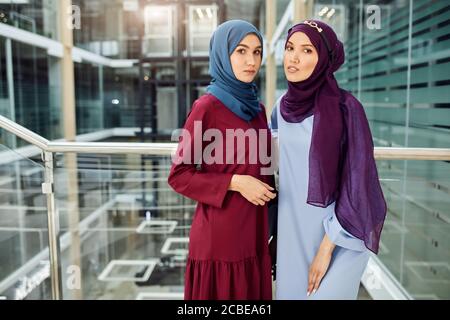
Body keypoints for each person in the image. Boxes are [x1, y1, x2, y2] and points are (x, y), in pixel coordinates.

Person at [270, 20, 387, 300]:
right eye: (289, 48)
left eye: (307, 50)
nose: (294, 58)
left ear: (324, 59)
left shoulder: (346, 108)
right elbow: (271, 169)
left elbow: (358, 179)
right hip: (293, 232)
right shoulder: (279, 110)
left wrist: (327, 247)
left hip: (342, 232)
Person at [168, 20, 275, 300]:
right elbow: (179, 175)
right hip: (221, 238)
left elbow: (265, 167)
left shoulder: (258, 109)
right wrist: (235, 182)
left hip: (255, 232)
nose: (251, 61)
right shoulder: (207, 107)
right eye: (240, 51)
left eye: (257, 52)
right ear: (222, 55)